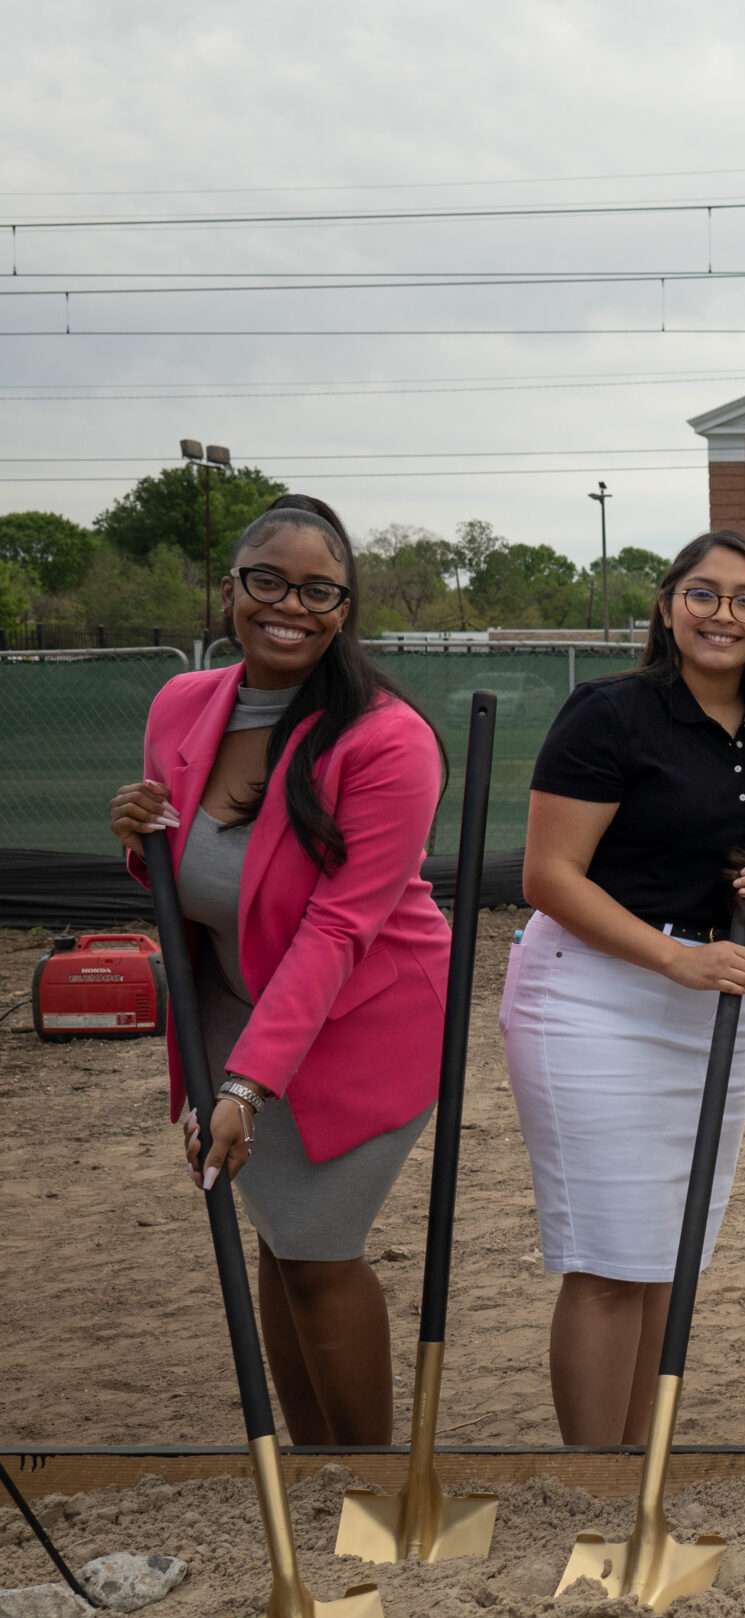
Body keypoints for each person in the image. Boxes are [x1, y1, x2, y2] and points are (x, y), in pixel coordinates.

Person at [109, 493, 448, 1448]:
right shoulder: (182, 705)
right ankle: (313, 1470)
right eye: (268, 580)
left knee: (319, 1253)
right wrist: (139, 840)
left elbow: (338, 927)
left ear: (345, 608)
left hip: (361, 1024)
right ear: (230, 589)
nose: (289, 605)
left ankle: (370, 1488)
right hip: (234, 1006)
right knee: (279, 1239)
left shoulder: (387, 740)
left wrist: (247, 1086)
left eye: (317, 590)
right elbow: (198, 874)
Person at [503, 530, 745, 1447]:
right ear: (669, 604)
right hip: (594, 999)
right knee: (608, 1259)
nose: (724, 615)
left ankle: (633, 1465)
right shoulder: (609, 713)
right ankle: (591, 1485)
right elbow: (548, 876)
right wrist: (676, 959)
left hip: (714, 1004)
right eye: (704, 594)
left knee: (664, 1257)